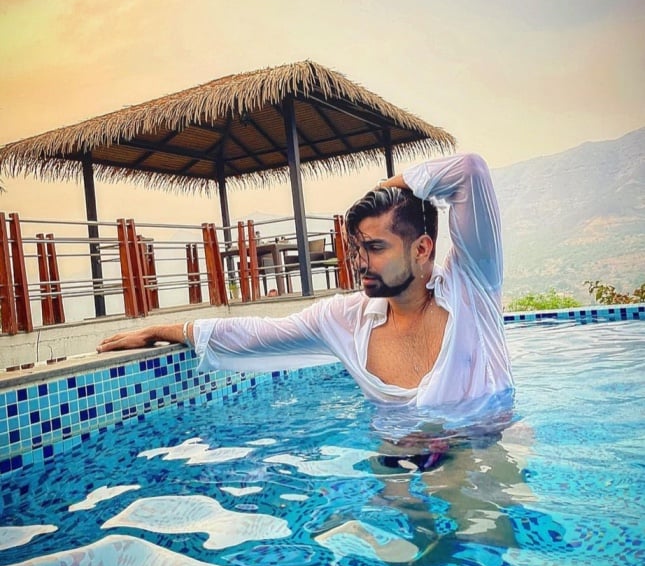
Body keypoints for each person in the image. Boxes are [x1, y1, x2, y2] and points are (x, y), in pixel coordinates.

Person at [97, 153, 513, 428]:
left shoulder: (471, 286)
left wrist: (385, 187)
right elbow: (255, 334)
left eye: (375, 247)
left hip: (483, 458)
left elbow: (469, 171)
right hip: (402, 470)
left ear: (422, 249)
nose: (360, 262)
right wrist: (160, 331)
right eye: (356, 248)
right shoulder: (344, 320)